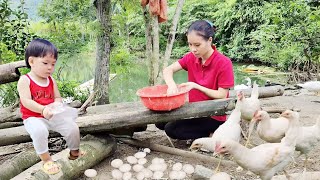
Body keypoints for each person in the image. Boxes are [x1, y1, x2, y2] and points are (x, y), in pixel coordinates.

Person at [156, 20, 234, 140]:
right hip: (194, 110)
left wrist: (196, 86)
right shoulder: (191, 57)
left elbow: (222, 95)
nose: (193, 49)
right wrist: (172, 86)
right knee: (160, 121)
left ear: (210, 40)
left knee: (170, 129)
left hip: (213, 114)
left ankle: (212, 133)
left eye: (197, 45)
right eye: (190, 44)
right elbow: (168, 70)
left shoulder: (224, 62)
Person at [17, 38, 84, 175]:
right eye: (46, 63)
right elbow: (26, 101)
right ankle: (47, 160)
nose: (50, 68)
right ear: (31, 62)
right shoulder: (25, 80)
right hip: (33, 117)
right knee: (39, 131)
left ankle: (74, 152)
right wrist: (42, 109)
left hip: (52, 115)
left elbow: (57, 97)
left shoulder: (51, 80)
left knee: (72, 127)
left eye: (53, 64)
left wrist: (57, 104)